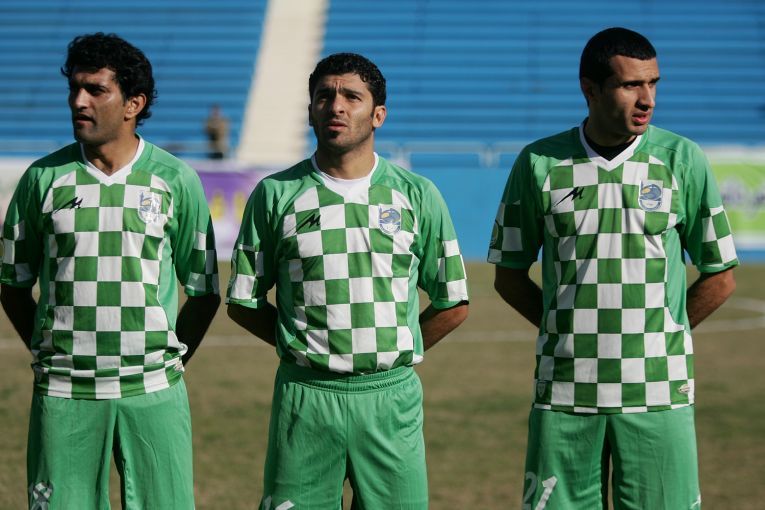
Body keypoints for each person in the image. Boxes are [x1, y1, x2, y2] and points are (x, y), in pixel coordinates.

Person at [488, 27, 738, 509]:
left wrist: (663, 330)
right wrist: (565, 328)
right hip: (565, 391)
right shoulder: (538, 163)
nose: (648, 99)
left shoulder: (682, 160)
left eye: (653, 83)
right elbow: (509, 274)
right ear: (591, 89)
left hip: (658, 390)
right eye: (630, 85)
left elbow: (721, 275)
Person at [226, 52, 469, 509]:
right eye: (324, 96)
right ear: (310, 111)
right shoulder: (275, 194)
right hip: (306, 396)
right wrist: (303, 345)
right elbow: (243, 300)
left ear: (378, 114)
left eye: (352, 97)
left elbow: (453, 301)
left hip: (389, 397)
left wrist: (396, 346)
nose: (335, 106)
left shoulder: (417, 194)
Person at [0, 32, 220, 509]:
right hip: (64, 391)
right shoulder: (42, 179)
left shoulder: (175, 179)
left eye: (95, 90)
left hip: (152, 391)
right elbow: (12, 284)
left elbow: (204, 291)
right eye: (74, 88)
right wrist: (49, 348)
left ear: (133, 104)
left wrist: (168, 361)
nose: (78, 101)